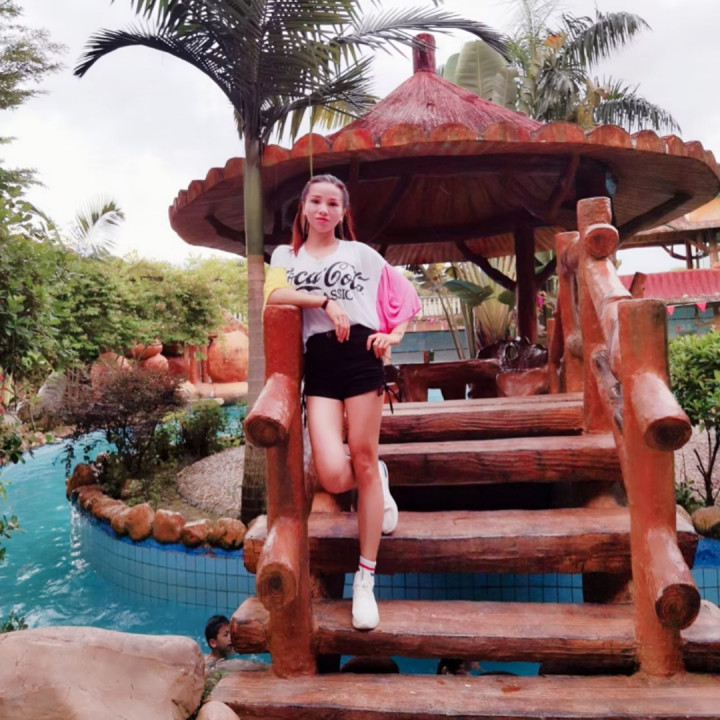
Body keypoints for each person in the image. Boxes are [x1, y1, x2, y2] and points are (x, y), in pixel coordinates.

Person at [264, 173, 420, 631]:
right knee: (333, 474)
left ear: (342, 212)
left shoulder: (361, 254)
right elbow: (273, 294)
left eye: (333, 203)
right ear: (303, 207)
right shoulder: (285, 256)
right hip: (321, 364)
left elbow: (405, 296)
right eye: (316, 201)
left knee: (363, 459)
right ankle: (377, 477)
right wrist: (324, 301)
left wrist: (394, 335)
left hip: (362, 356)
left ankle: (365, 578)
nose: (323, 210)